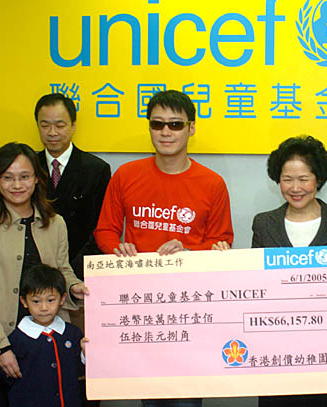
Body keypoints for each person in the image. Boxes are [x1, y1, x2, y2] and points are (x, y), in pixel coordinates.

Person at [94, 90, 234, 406]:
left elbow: (222, 242)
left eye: (175, 124)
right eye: (157, 124)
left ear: (191, 128)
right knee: (149, 396)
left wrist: (189, 251)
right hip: (137, 302)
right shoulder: (126, 175)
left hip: (189, 306)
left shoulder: (212, 183)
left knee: (186, 397)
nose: (166, 132)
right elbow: (105, 230)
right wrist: (117, 250)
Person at [252, 136, 327, 407]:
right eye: (287, 179)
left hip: (326, 339)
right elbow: (256, 276)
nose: (295, 188)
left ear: (319, 179)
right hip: (274, 340)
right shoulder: (264, 224)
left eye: (304, 179)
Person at [0, 142, 87, 407]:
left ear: (37, 178)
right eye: (7, 177)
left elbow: (62, 269)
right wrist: (1, 346)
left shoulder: (55, 223)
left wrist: (73, 287)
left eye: (24, 176)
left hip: (47, 343)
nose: (17, 185)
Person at [0, 264, 87, 407]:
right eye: (36, 301)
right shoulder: (15, 339)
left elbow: (79, 373)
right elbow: (5, 381)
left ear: (62, 299)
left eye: (50, 300)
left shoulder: (72, 333)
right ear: (24, 301)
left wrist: (85, 355)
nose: (44, 307)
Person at [35, 93, 111, 279]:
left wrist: (71, 275)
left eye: (60, 125)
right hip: (35, 272)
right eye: (45, 125)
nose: (52, 132)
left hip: (79, 270)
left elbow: (99, 229)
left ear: (73, 126)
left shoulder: (96, 169)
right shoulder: (29, 166)